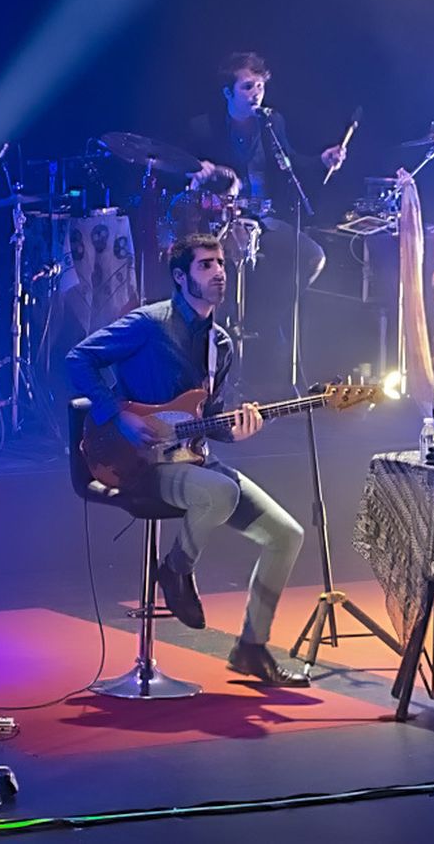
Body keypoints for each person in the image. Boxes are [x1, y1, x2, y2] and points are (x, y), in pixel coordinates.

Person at [67, 233, 310, 686]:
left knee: (286, 534)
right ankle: (176, 571)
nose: (219, 272)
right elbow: (78, 359)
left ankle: (252, 649)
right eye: (205, 265)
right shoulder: (148, 324)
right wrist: (116, 414)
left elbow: (210, 418)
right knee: (221, 491)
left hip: (193, 459)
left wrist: (236, 430)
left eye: (221, 263)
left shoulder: (221, 344)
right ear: (181, 277)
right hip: (138, 463)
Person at [183, 53, 346, 385]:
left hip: (265, 217)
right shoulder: (204, 128)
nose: (256, 93)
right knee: (227, 267)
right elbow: (185, 175)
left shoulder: (273, 123)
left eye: (259, 86)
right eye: (247, 87)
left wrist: (322, 160)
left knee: (313, 255)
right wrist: (201, 172)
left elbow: (291, 162)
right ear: (228, 93)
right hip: (223, 220)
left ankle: (268, 316)